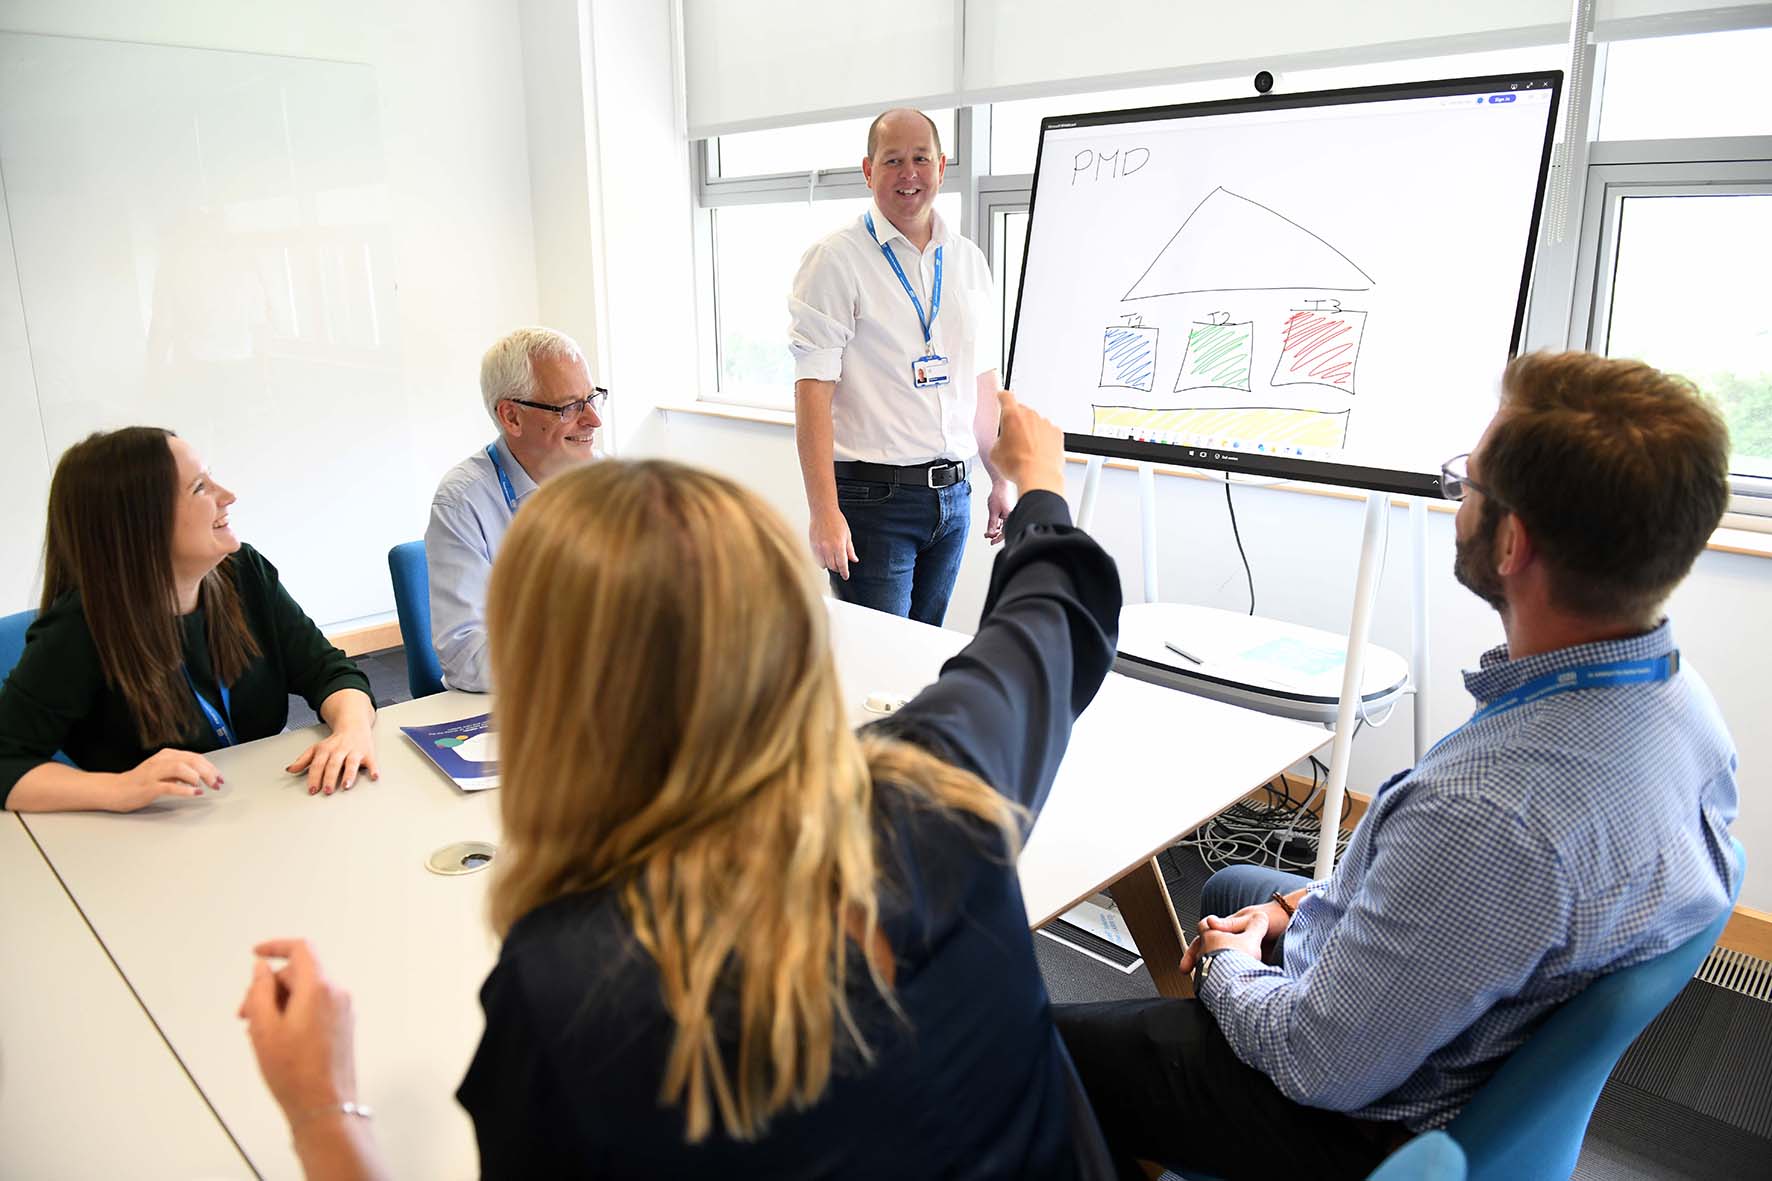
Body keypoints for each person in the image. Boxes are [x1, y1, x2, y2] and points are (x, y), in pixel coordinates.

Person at [242, 393, 1124, 1178]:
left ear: (546, 687)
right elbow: (1051, 617)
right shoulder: (940, 779)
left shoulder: (569, 994)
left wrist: (323, 1108)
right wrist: (1037, 479)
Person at [1056, 351, 1741, 1180]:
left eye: (1469, 484)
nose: (1458, 501)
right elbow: (1460, 909)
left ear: (1514, 540)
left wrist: (1228, 967)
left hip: (1355, 1121)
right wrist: (1286, 915)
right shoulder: (1677, 702)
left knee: (1041, 1044)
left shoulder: (1490, 812)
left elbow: (1315, 1061)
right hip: (1462, 1033)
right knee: (1242, 890)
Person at [0, 428, 377, 812]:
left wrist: (352, 730)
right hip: (144, 837)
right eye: (199, 488)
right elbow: (6, 762)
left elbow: (330, 673)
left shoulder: (243, 572)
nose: (227, 496)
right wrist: (119, 788)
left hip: (258, 808)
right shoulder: (79, 628)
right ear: (139, 523)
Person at [789, 107, 1012, 625]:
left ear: (941, 165)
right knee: (876, 661)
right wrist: (825, 512)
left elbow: (981, 380)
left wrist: (999, 477)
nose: (908, 173)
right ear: (869, 171)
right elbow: (812, 393)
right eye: (893, 160)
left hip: (953, 496)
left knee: (923, 651)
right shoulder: (835, 259)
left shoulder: (967, 260)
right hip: (873, 502)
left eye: (920, 158)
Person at [426, 326, 606, 691]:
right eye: (570, 406)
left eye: (592, 398)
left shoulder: (605, 480)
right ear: (511, 417)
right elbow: (466, 656)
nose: (593, 419)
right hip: (514, 703)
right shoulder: (463, 501)